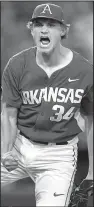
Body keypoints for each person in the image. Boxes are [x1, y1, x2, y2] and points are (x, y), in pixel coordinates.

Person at [1, 3, 93, 207]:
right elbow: (9, 113)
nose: (44, 29)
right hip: (19, 144)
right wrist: (6, 151)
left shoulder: (85, 71)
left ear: (63, 30)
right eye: (38, 24)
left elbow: (91, 120)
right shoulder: (17, 65)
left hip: (57, 156)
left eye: (51, 24)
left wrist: (91, 173)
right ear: (31, 29)